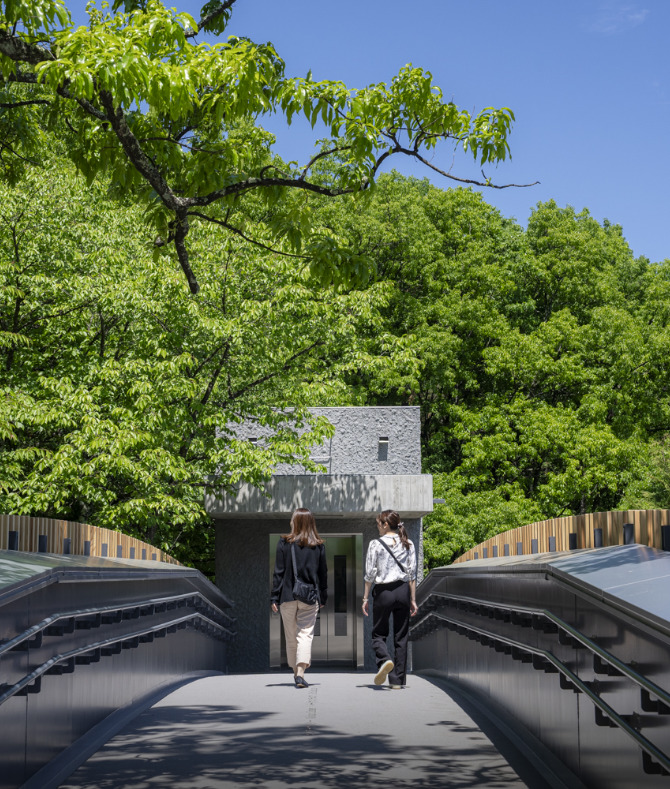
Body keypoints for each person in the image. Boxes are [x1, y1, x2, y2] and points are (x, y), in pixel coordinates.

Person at [271, 507, 328, 688]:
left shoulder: (284, 543)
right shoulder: (318, 545)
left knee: (290, 636)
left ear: (295, 521)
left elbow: (278, 573)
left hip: (287, 596)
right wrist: (323, 597)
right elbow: (323, 574)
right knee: (305, 634)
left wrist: (274, 597)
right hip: (309, 597)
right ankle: (300, 673)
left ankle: (296, 673)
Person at [362, 509, 418, 688]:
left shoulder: (375, 544)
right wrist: (413, 600)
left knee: (378, 634)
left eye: (378, 524)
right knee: (401, 637)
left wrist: (365, 598)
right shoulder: (408, 543)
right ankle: (397, 681)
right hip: (403, 591)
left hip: (383, 592)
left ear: (386, 524)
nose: (377, 527)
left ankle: (384, 659)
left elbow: (370, 574)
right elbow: (412, 574)